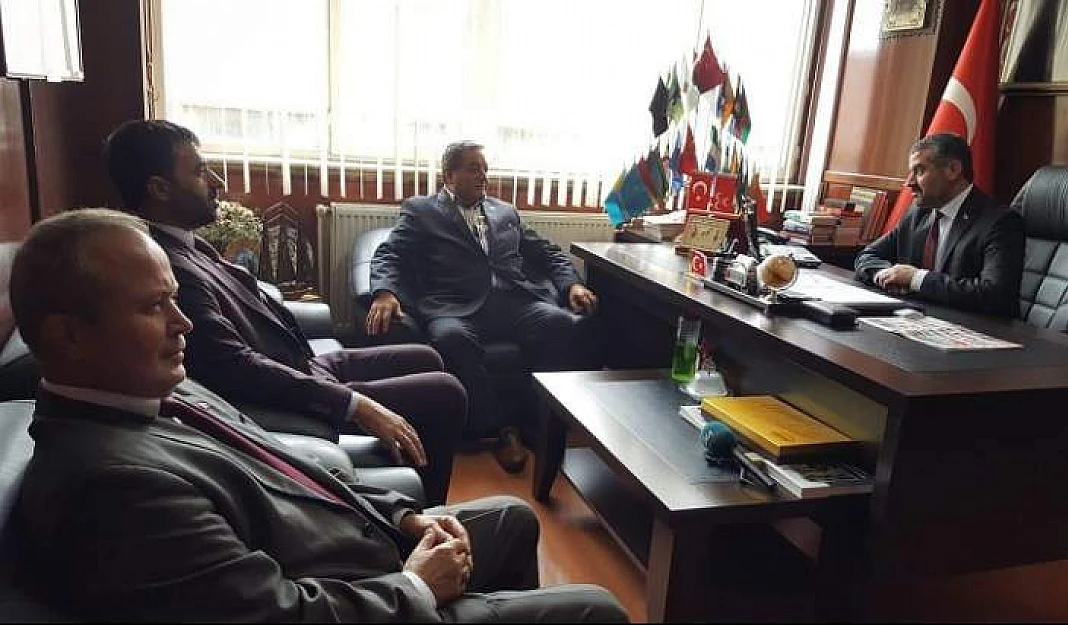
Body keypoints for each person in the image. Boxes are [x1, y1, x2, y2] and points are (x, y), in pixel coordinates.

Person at [10, 209, 627, 623]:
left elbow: (288, 467)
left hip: (358, 547)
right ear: (69, 336)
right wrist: (417, 586)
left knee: (513, 517)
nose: (184, 322)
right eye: (153, 307)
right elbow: (274, 614)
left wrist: (405, 515)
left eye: (175, 298)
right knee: (597, 607)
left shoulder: (160, 390)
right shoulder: (114, 489)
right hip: (360, 596)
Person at [102, 119, 464, 505]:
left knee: (426, 356)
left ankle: (411, 479)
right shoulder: (167, 268)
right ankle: (429, 513)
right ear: (159, 188)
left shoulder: (186, 243)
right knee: (446, 392)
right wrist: (355, 405)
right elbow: (233, 365)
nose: (217, 182)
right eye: (200, 171)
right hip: (282, 387)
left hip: (300, 362)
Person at [367, 141, 598, 474]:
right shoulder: (421, 211)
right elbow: (390, 254)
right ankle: (500, 430)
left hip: (514, 302)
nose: (483, 177)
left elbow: (547, 252)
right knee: (450, 339)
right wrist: (384, 292)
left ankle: (540, 421)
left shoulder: (505, 211)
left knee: (560, 323)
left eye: (485, 170)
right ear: (449, 175)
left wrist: (572, 284)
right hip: (455, 307)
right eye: (474, 169)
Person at [854, 133, 1025, 317]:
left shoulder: (1000, 221)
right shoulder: (918, 213)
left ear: (953, 170)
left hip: (974, 327)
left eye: (919, 171)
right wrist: (886, 275)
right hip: (919, 319)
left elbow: (995, 295)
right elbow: (868, 256)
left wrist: (917, 279)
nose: (909, 183)